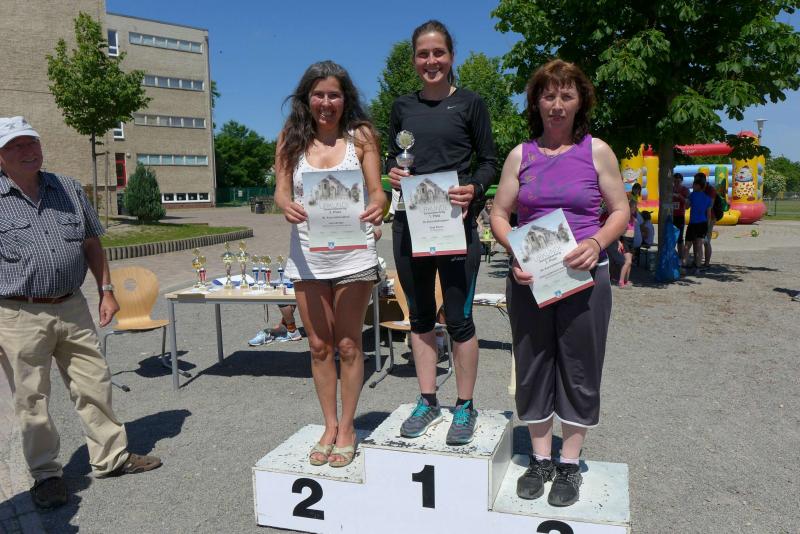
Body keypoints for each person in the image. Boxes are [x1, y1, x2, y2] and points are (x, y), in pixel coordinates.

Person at [0, 116, 161, 510]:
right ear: (0, 156)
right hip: (18, 313)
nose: (28, 151)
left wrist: (106, 291)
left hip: (73, 305)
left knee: (95, 382)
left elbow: (91, 243)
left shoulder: (68, 188)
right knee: (31, 398)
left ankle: (111, 457)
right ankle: (46, 475)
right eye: (15, 146)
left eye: (31, 142)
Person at [489, 60, 628, 507]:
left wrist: (597, 241)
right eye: (548, 95)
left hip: (586, 279)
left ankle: (569, 463)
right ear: (536, 102)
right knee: (533, 366)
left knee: (580, 368)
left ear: (580, 102)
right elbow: (499, 214)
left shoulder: (597, 151)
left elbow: (620, 210)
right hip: (531, 280)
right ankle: (540, 458)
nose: (556, 104)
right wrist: (514, 250)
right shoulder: (520, 155)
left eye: (566, 95)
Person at [386, 20, 497, 446]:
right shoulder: (402, 107)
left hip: (455, 225)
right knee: (419, 318)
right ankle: (428, 399)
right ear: (414, 59)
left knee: (459, 319)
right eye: (423, 54)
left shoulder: (470, 103)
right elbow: (394, 157)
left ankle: (465, 406)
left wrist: (475, 188)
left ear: (451, 56)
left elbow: (488, 161)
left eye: (438, 53)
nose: (431, 61)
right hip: (410, 226)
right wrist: (393, 172)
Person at [274, 61, 385, 468]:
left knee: (349, 343)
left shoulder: (362, 136)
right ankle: (329, 424)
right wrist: (285, 204)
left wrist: (378, 206)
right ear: (307, 98)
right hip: (308, 256)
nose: (326, 102)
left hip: (354, 254)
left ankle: (348, 427)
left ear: (345, 98)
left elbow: (378, 191)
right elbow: (281, 191)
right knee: (319, 346)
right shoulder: (290, 137)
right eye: (318, 94)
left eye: (333, 95)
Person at [685, 172, 713, 272]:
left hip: (693, 223)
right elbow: (708, 214)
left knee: (687, 245)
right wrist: (708, 226)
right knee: (699, 245)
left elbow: (686, 206)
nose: (692, 186)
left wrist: (685, 199)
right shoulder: (708, 198)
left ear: (697, 185)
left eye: (693, 184)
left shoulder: (692, 195)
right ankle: (698, 266)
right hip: (703, 223)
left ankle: (684, 264)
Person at [617, 198, 637, 289]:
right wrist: (618, 242)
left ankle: (626, 280)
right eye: (634, 207)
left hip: (631, 240)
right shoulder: (625, 217)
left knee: (629, 262)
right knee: (627, 261)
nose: (635, 209)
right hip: (625, 240)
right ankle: (621, 281)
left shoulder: (633, 217)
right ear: (630, 207)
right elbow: (619, 230)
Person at [672, 173, 689, 264]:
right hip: (671, 216)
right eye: (675, 181)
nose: (676, 183)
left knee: (680, 238)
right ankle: (671, 255)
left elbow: (687, 204)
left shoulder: (685, 190)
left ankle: (680, 257)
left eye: (678, 181)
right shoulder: (670, 189)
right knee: (671, 236)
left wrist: (679, 196)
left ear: (681, 181)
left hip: (680, 216)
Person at [703, 178, 718, 269]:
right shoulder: (702, 189)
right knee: (699, 241)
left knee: (706, 241)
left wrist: (708, 222)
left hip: (709, 218)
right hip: (702, 218)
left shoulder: (710, 190)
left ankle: (707, 263)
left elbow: (710, 207)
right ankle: (699, 261)